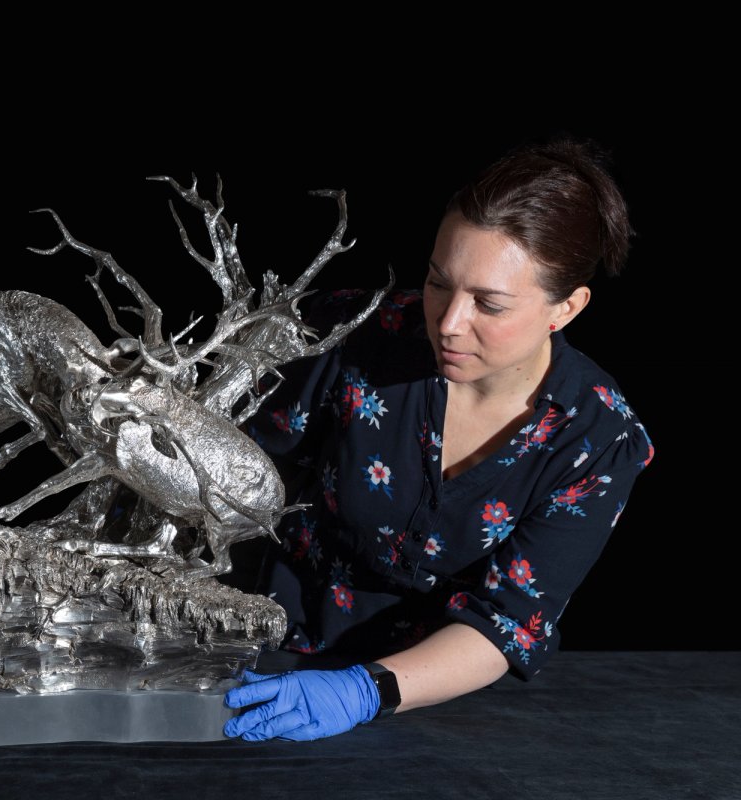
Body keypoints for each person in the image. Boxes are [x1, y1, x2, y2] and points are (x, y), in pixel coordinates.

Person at [222, 136, 654, 742]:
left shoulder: (597, 438)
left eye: (489, 305)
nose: (448, 323)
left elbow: (507, 622)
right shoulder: (354, 335)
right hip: (256, 652)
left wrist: (363, 691)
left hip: (428, 701)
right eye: (437, 283)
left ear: (567, 308)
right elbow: (219, 463)